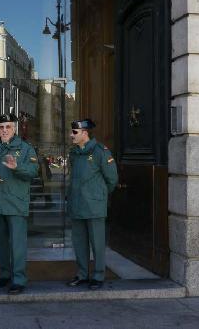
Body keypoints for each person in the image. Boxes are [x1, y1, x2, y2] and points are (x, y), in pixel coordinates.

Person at [0, 113, 38, 294]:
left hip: (15, 202)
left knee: (17, 243)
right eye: (2, 127)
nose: (5, 130)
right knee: (0, 243)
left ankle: (19, 278)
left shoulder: (25, 148)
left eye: (8, 127)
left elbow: (33, 171)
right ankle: (5, 274)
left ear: (14, 129)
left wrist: (17, 167)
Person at [66, 118, 118, 290]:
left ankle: (98, 275)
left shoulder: (100, 151)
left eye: (74, 132)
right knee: (79, 243)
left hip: (94, 205)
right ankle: (82, 275)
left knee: (97, 243)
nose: (71, 135)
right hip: (77, 204)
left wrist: (99, 195)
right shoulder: (74, 153)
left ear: (85, 133)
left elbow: (112, 179)